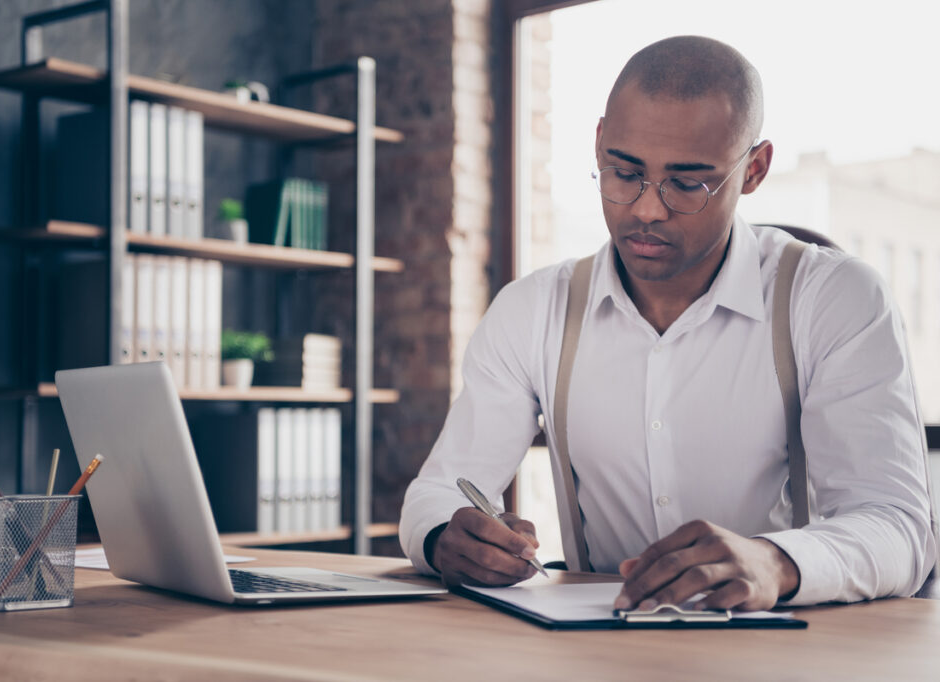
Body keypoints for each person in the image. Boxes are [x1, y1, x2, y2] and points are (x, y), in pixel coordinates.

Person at [398, 35, 937, 611]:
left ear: (753, 170)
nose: (646, 209)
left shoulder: (834, 299)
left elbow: (898, 526)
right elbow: (438, 491)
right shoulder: (532, 309)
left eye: (687, 183)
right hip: (592, 650)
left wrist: (776, 562)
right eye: (623, 172)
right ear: (600, 141)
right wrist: (445, 538)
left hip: (785, 649)